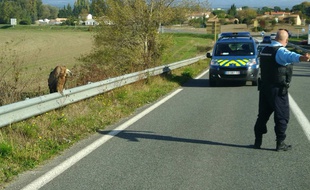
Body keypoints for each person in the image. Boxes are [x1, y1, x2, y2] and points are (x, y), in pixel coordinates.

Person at [253, 29, 310, 151]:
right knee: (282, 116)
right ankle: (280, 143)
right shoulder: (280, 51)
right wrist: (302, 58)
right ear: (286, 40)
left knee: (262, 115)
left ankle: (257, 142)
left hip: (264, 88)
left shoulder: (265, 50)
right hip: (277, 89)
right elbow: (290, 56)